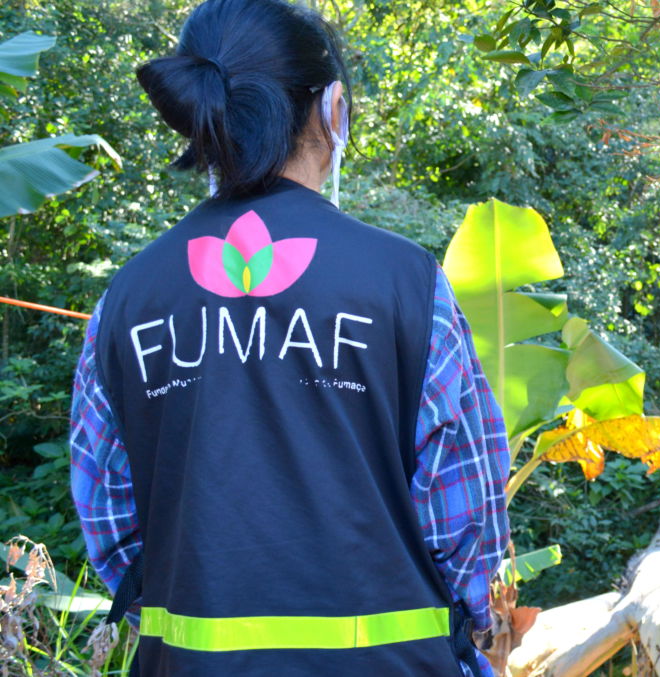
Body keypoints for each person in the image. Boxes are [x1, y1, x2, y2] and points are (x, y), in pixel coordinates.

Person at [68, 1, 509, 674]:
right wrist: (476, 623)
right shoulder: (408, 284)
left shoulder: (126, 299)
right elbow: (465, 517)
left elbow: (110, 517)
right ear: (333, 107)